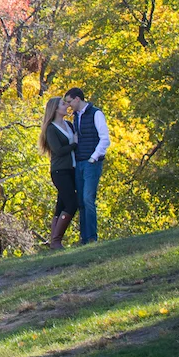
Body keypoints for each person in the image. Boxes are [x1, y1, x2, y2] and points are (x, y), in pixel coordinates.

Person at [65, 87, 109, 243]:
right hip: (79, 162)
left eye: (70, 102)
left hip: (91, 162)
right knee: (81, 201)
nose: (69, 105)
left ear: (77, 99)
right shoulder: (76, 117)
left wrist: (93, 157)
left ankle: (91, 237)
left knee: (88, 198)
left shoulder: (96, 114)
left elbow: (105, 139)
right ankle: (84, 238)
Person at [38, 95, 77, 250]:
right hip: (60, 171)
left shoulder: (69, 125)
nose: (66, 106)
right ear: (55, 109)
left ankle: (54, 242)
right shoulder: (51, 129)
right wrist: (74, 144)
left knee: (61, 204)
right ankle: (56, 240)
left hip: (72, 169)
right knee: (72, 203)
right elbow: (59, 150)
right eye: (63, 104)